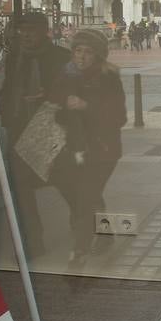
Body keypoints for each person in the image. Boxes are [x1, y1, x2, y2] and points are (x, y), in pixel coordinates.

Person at [48, 28, 128, 260]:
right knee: (86, 194)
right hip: (74, 146)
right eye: (77, 50)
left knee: (86, 196)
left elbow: (119, 117)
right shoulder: (67, 74)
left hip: (102, 148)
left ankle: (80, 249)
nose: (81, 56)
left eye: (88, 52)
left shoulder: (108, 77)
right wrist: (60, 100)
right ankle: (104, 234)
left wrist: (86, 106)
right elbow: (56, 102)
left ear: (99, 55)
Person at [0, 12, 73, 253]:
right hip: (20, 128)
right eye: (22, 30)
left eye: (31, 30)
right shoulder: (15, 58)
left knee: (65, 182)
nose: (25, 35)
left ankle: (91, 226)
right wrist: (6, 115)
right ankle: (33, 241)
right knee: (21, 189)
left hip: (49, 130)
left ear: (44, 31)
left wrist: (49, 95)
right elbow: (7, 88)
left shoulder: (61, 56)